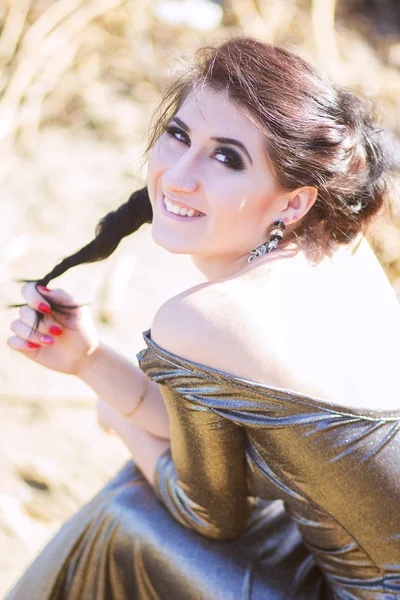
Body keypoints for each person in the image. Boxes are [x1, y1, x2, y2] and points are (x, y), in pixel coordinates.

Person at [5, 36, 400, 599]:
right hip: (356, 547)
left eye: (226, 156)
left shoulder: (207, 318)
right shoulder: (340, 244)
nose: (177, 175)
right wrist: (87, 360)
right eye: (179, 134)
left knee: (127, 513)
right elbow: (260, 448)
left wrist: (119, 423)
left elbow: (209, 513)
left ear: (293, 202)